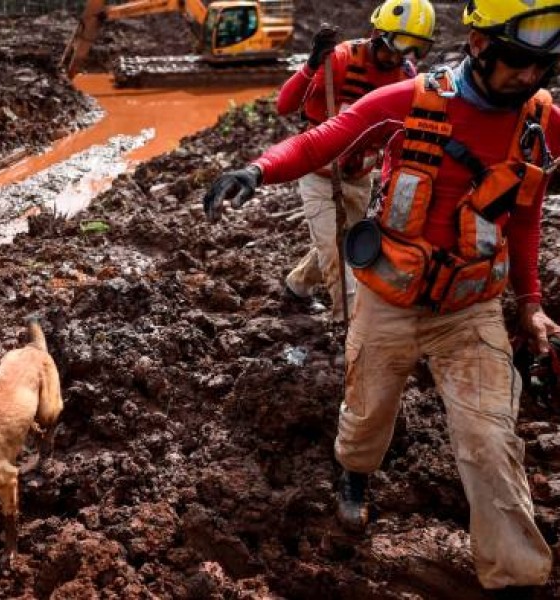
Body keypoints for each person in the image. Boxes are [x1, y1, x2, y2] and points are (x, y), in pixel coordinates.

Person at [203, 0, 560, 595]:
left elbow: (523, 221)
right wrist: (257, 170)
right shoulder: (409, 100)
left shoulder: (540, 122)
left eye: (541, 67)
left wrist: (530, 302)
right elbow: (324, 139)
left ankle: (516, 578)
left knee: (491, 442)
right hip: (389, 296)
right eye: (517, 63)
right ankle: (354, 476)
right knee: (367, 417)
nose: (528, 78)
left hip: (469, 309)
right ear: (478, 45)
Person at [280, 0, 435, 320]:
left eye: (413, 49)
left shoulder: (404, 77)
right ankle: (348, 322)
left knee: (343, 242)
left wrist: (393, 182)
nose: (400, 56)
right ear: (377, 32)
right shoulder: (339, 60)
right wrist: (310, 66)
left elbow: (399, 136)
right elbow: (285, 105)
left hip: (359, 177)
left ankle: (296, 286)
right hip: (319, 172)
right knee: (336, 253)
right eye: (398, 44)